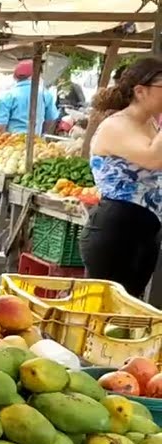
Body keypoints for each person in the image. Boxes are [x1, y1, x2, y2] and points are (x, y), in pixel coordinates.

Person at [80, 56, 162, 297]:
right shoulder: (116, 125)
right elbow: (152, 158)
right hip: (116, 228)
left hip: (145, 230)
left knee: (129, 310)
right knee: (104, 308)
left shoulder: (151, 125)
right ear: (140, 91)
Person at [0, 59, 59, 135]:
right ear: (35, 75)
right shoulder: (45, 94)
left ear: (15, 77)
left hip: (12, 143)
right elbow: (51, 120)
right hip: (35, 142)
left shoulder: (6, 96)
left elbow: (0, 127)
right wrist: (41, 133)